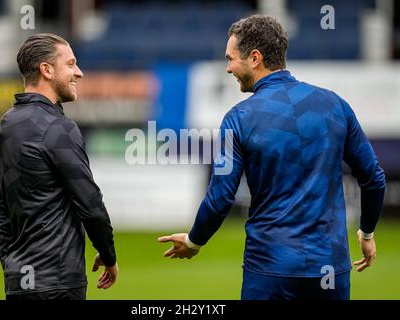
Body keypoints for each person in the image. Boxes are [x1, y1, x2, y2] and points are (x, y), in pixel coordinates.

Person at [158, 15, 386, 300]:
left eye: (230, 59)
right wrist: (366, 234)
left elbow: (221, 196)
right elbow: (374, 179)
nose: (228, 68)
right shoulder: (335, 105)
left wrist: (194, 241)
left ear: (255, 58)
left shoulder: (238, 118)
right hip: (329, 269)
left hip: (269, 271)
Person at [0, 33, 118, 300]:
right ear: (46, 70)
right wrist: (108, 255)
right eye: (70, 64)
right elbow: (90, 204)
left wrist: (12, 266)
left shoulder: (4, 129)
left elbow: (0, 209)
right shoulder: (58, 128)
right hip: (59, 283)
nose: (79, 73)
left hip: (19, 284)